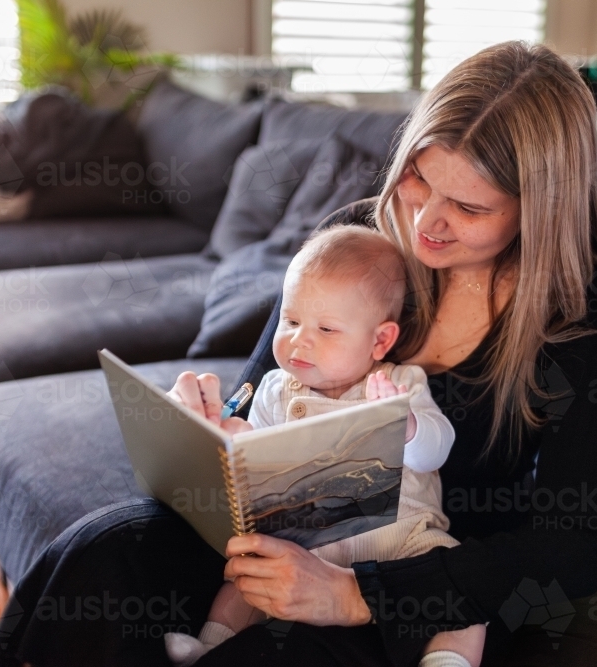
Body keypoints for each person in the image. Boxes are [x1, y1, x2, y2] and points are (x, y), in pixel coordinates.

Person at [0, 41, 597, 667]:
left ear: (539, 210)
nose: (426, 220)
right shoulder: (356, 248)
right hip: (287, 532)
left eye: (466, 206)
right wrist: (207, 427)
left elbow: (571, 549)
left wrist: (349, 595)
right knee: (103, 552)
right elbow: (261, 395)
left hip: (424, 581)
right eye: (419, 177)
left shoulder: (582, 317)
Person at [164, 225, 486, 667]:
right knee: (245, 576)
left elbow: (437, 451)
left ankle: (447, 661)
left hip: (402, 540)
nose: (299, 340)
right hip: (305, 543)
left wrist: (406, 425)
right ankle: (211, 645)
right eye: (291, 320)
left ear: (380, 341)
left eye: (326, 329)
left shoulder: (398, 383)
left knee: (458, 585)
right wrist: (235, 439)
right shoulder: (277, 388)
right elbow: (254, 463)